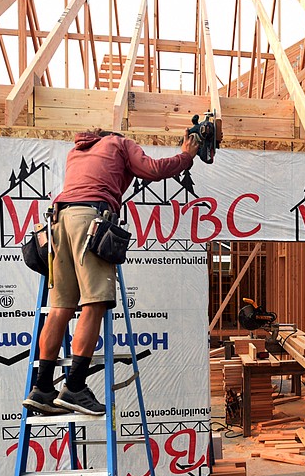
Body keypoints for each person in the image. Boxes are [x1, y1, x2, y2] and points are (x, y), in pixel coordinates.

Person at [23, 129, 198, 416]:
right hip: (87, 220)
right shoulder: (120, 143)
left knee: (60, 308)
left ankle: (42, 388)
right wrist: (186, 156)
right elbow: (151, 170)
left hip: (57, 222)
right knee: (95, 302)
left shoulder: (76, 151)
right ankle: (75, 387)